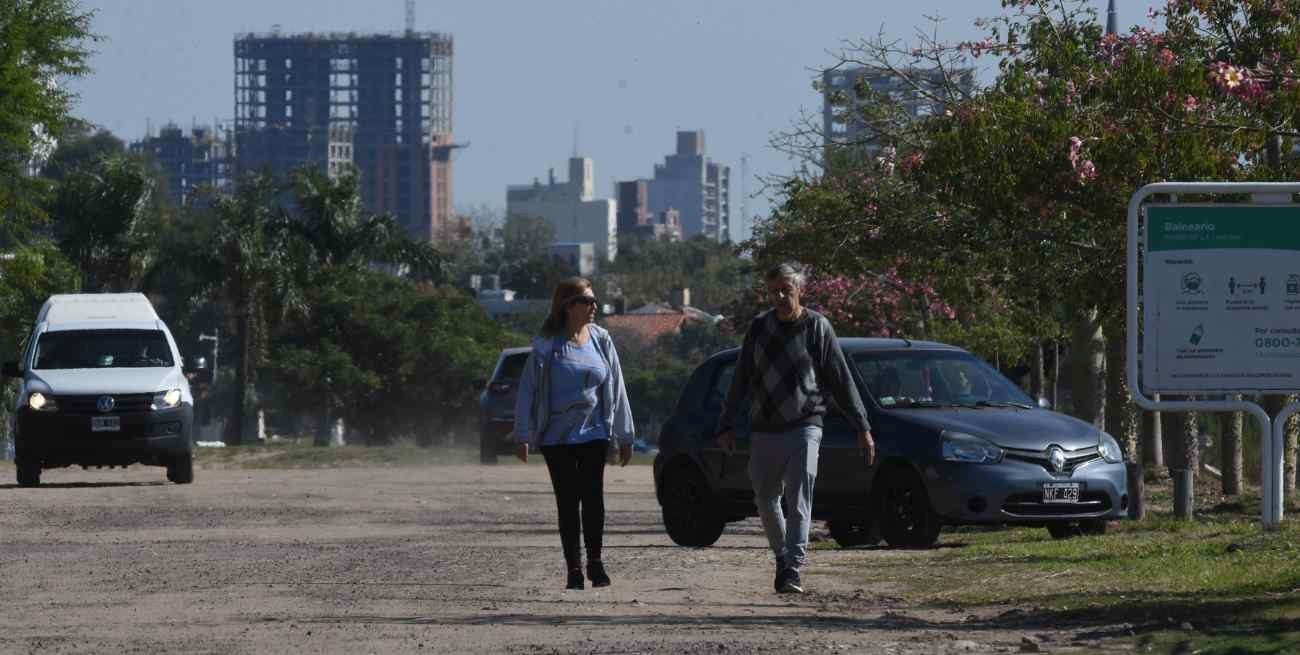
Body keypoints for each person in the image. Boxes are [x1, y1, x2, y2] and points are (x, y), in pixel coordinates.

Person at [717, 263, 875, 594]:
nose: (779, 296)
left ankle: (792, 568)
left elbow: (840, 378)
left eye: (785, 290)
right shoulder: (759, 327)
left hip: (806, 424)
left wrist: (862, 426)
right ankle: (781, 555)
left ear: (799, 289)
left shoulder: (817, 327)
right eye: (773, 290)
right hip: (764, 427)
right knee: (765, 496)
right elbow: (742, 378)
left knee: (799, 496)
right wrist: (727, 423)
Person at [514, 277, 635, 590]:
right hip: (557, 437)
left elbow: (617, 386)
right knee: (568, 501)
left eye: (594, 301)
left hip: (594, 432)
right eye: (587, 301)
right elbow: (527, 390)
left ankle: (595, 563)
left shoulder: (601, 340)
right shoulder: (546, 346)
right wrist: (523, 434)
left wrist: (624, 434)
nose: (594, 306)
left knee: (593, 498)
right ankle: (574, 569)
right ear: (568, 307)